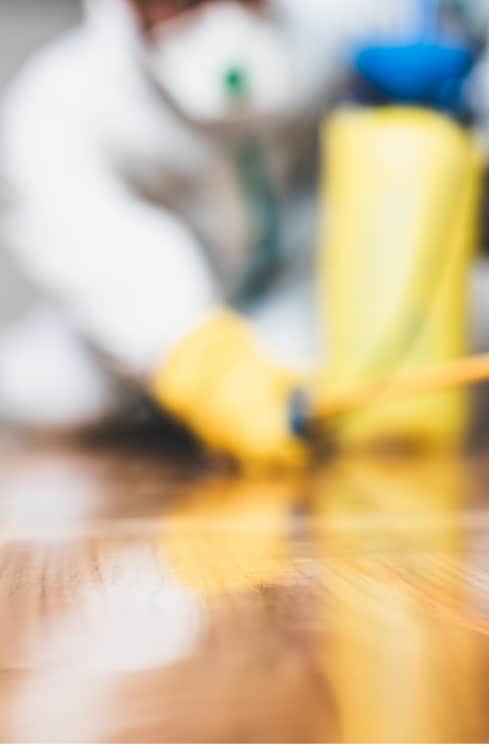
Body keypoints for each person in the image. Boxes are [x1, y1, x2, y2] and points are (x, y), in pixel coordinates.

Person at [0, 0, 413, 467]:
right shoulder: (58, 102)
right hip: (139, 338)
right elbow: (89, 236)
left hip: (293, 299)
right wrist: (199, 357)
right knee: (59, 395)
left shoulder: (335, 31)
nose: (221, 16)